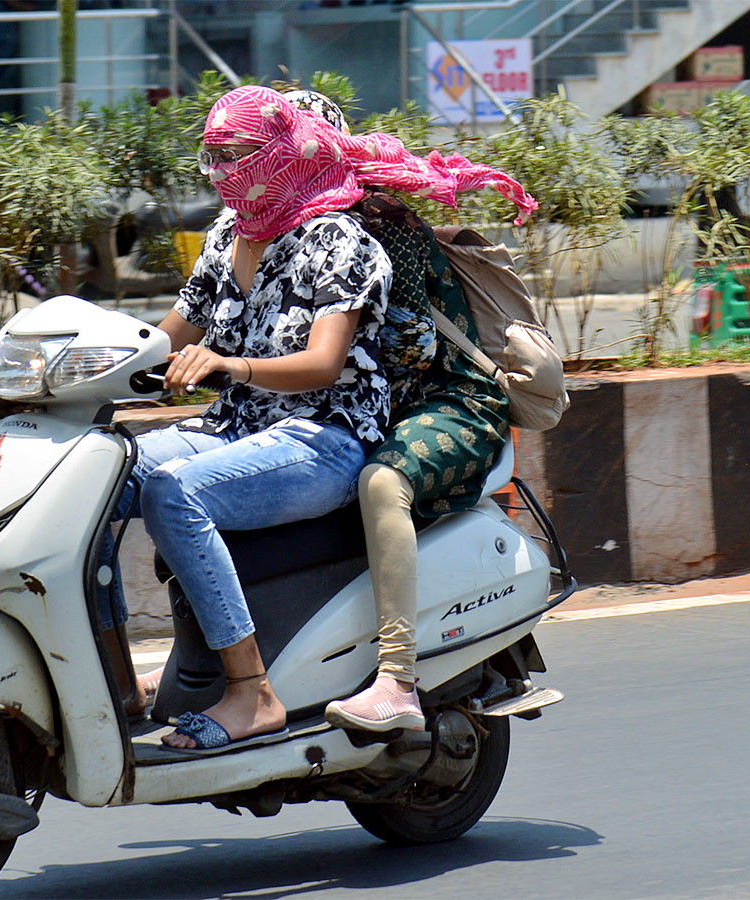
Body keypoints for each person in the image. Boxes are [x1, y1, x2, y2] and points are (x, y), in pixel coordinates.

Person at [103, 84, 393, 753]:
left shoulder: (339, 242)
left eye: (238, 154)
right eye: (214, 157)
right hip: (238, 427)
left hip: (322, 437)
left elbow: (323, 364)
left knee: (172, 492)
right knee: (94, 476)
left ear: (290, 156)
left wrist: (228, 367)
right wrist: (73, 367)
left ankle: (252, 692)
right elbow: (167, 337)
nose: (223, 172)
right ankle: (118, 683)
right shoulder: (230, 234)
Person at [287, 94, 536, 733]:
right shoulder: (265, 227)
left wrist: (321, 351)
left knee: (381, 481)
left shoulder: (379, 222)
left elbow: (410, 348)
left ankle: (397, 678)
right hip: (360, 402)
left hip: (449, 398)